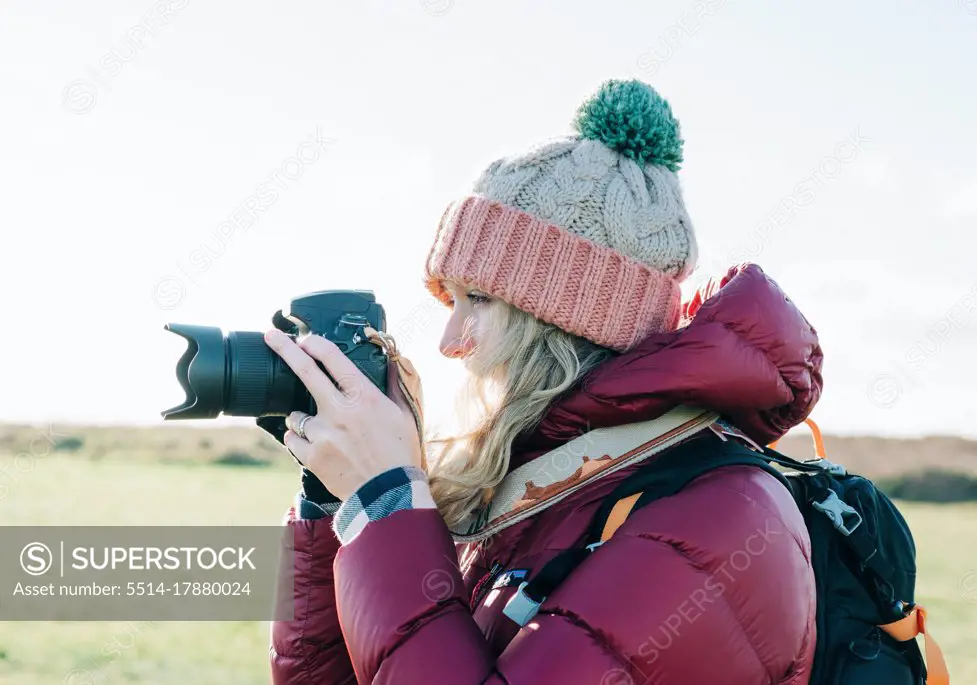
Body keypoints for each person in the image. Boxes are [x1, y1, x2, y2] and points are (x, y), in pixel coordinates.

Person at [264, 79, 822, 685]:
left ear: (566, 319)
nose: (449, 343)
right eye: (449, 300)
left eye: (477, 299)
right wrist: (336, 503)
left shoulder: (715, 522)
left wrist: (387, 504)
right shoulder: (544, 484)